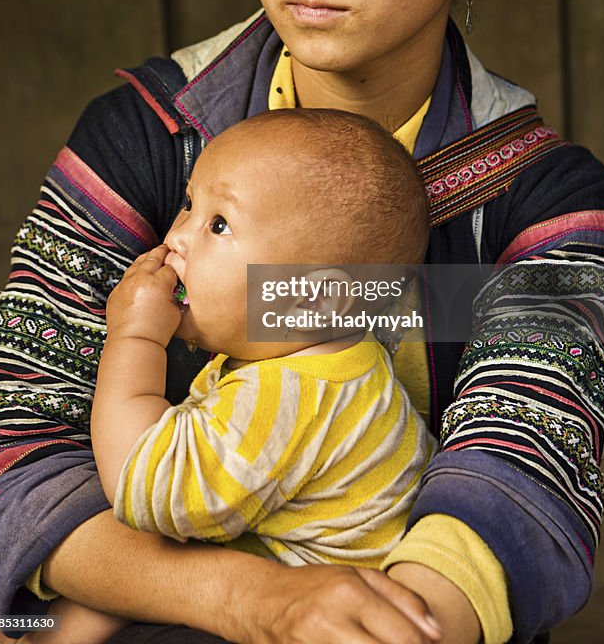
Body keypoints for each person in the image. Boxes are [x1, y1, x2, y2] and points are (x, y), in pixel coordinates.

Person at [0, 0, 604, 644]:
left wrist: (365, 625)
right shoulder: (146, 135)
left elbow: (528, 476)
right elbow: (14, 446)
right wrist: (258, 601)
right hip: (154, 607)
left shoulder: (549, 202)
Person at [48, 109, 435, 644]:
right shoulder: (338, 359)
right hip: (278, 574)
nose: (177, 237)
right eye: (188, 204)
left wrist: (132, 339)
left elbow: (140, 484)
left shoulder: (286, 398)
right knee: (93, 602)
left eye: (219, 224)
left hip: (320, 620)